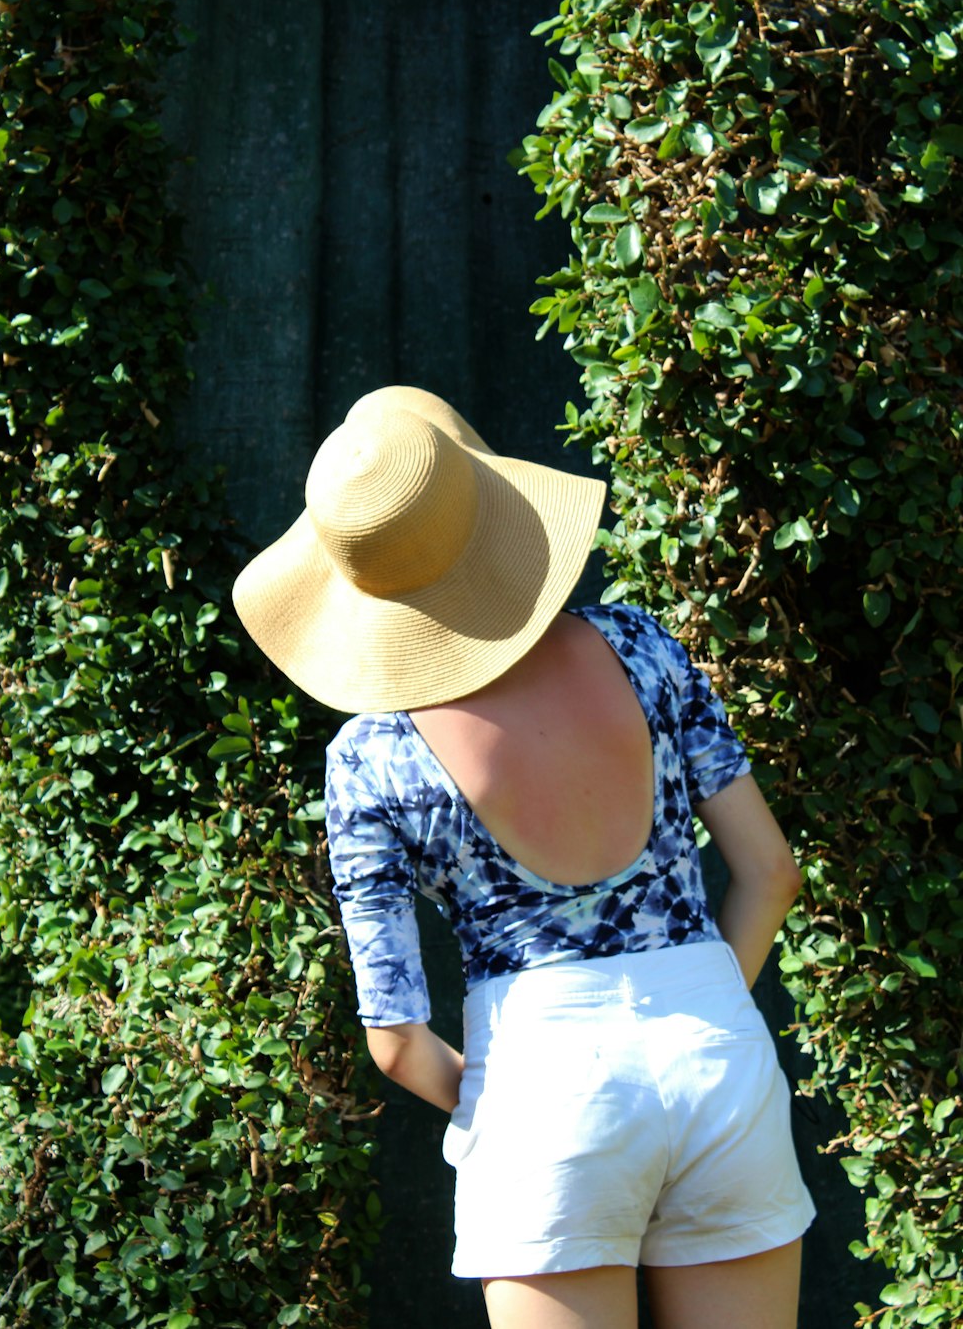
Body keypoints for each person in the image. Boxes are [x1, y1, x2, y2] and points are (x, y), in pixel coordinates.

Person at [233, 385, 816, 1329]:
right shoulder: (640, 646)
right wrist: (694, 1012)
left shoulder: (372, 759)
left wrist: (516, 1097)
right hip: (718, 1048)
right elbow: (770, 872)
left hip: (542, 1082)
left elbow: (395, 1039)